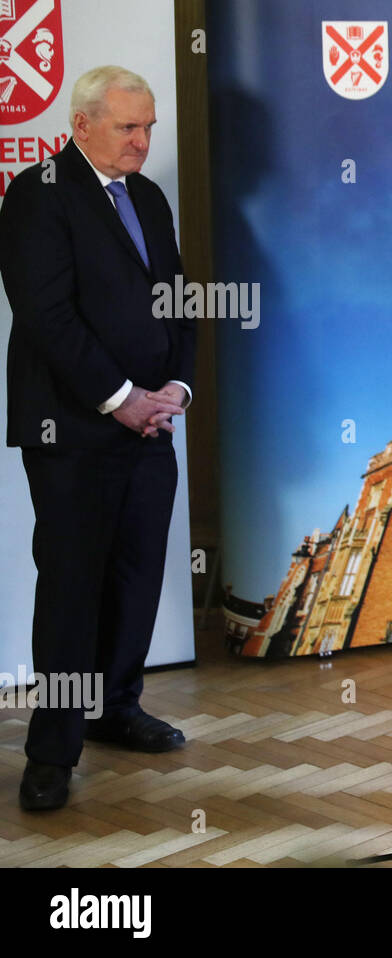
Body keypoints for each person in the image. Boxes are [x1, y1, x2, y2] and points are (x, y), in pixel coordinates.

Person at [0, 66, 195, 811]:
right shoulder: (36, 194)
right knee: (73, 587)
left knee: (136, 576)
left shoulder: (148, 196)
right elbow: (47, 316)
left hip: (152, 428)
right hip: (74, 431)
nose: (144, 141)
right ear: (82, 126)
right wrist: (119, 400)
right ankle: (52, 749)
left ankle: (115, 707)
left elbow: (180, 301)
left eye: (148, 127)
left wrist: (176, 389)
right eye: (128, 128)